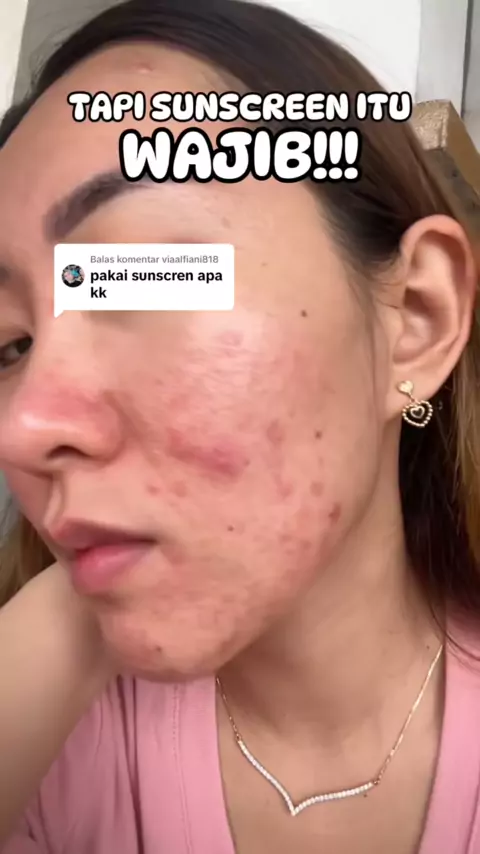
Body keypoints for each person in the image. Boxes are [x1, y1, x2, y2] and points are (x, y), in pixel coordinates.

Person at [0, 0, 479, 851]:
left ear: (416, 316)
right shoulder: (45, 756)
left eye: (137, 280)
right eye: (9, 345)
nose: (23, 428)